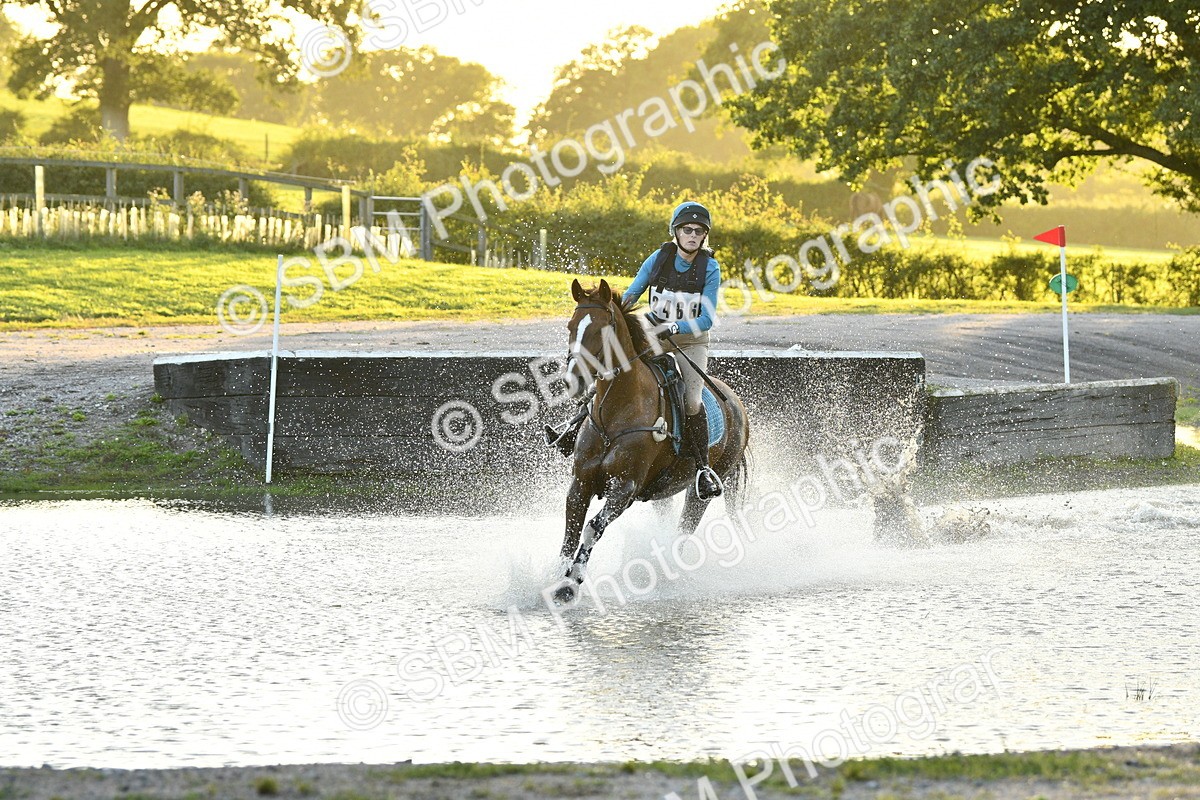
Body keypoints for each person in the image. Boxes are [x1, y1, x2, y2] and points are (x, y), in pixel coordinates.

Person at [546, 201, 723, 500]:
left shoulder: (710, 267)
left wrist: (676, 327)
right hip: (654, 334)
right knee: (614, 366)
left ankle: (704, 470)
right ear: (676, 232)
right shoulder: (658, 259)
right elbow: (630, 296)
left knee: (691, 400)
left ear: (704, 237)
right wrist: (609, 310)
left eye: (698, 231)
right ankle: (572, 428)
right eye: (686, 229)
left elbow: (707, 318)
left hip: (690, 341)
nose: (692, 235)